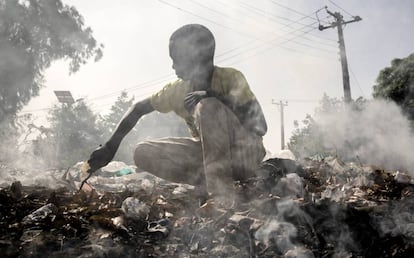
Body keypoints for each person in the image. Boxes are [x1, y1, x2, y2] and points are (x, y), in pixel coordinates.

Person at [87, 24, 267, 205]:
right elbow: (138, 108)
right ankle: (208, 184)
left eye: (177, 59)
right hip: (209, 160)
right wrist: (111, 146)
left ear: (197, 56)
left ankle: (221, 196)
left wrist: (216, 97)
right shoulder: (178, 90)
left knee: (208, 106)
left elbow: (261, 126)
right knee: (142, 153)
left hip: (245, 155)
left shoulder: (231, 78)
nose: (173, 65)